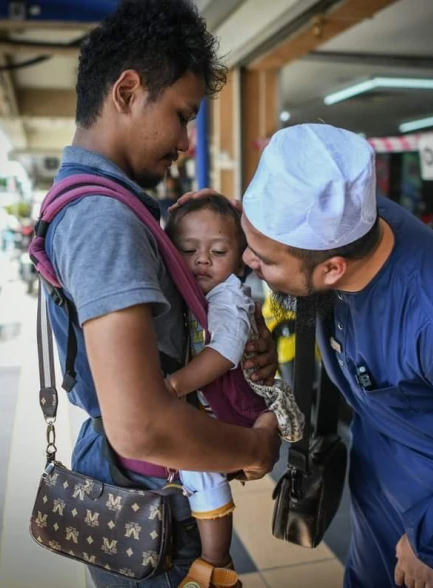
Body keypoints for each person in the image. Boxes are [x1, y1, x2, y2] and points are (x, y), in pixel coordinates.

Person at [238, 124, 433, 588]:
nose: (248, 259)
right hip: (380, 470)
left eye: (264, 259)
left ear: (333, 269)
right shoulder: (349, 228)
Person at [42, 2, 282, 586]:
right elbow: (140, 424)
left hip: (139, 490)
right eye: (181, 115)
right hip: (152, 502)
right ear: (126, 91)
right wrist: (252, 449)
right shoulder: (105, 220)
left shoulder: (102, 204)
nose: (184, 140)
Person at [162, 195, 304, 585]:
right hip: (211, 403)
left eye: (219, 251)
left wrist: (171, 386)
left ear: (241, 257)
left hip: (227, 403)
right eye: (188, 250)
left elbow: (224, 352)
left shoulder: (229, 297)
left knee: (202, 471)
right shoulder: (186, 290)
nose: (202, 260)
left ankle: (216, 559)